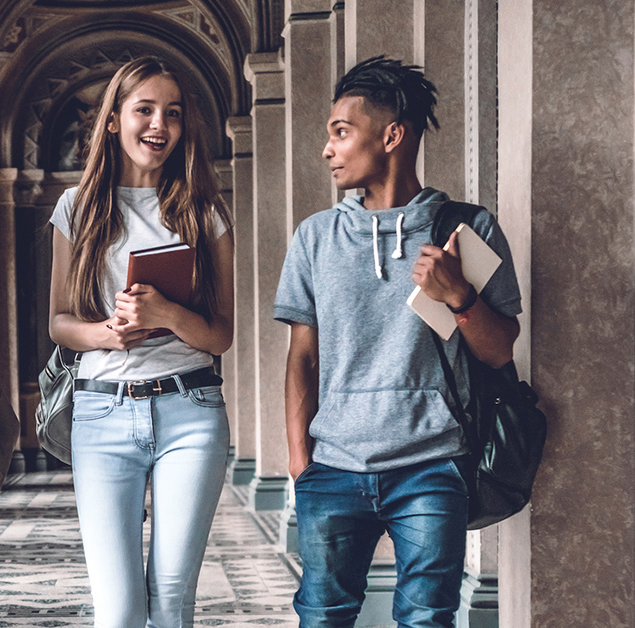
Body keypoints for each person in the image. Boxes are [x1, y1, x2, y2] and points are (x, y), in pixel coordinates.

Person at [275, 56, 523, 628]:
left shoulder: (468, 230)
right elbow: (302, 356)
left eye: (341, 132)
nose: (327, 149)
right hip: (332, 466)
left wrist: (458, 294)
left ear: (391, 135)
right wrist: (299, 463)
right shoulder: (314, 237)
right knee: (322, 616)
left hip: (433, 465)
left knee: (427, 618)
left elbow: (500, 349)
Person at [47, 57, 235, 628]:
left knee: (172, 602)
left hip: (191, 411)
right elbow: (59, 322)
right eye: (145, 110)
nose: (160, 124)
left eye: (172, 113)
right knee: (120, 610)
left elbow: (221, 335)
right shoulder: (76, 208)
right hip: (101, 412)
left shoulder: (203, 212)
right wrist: (107, 332)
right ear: (113, 121)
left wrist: (167, 313)